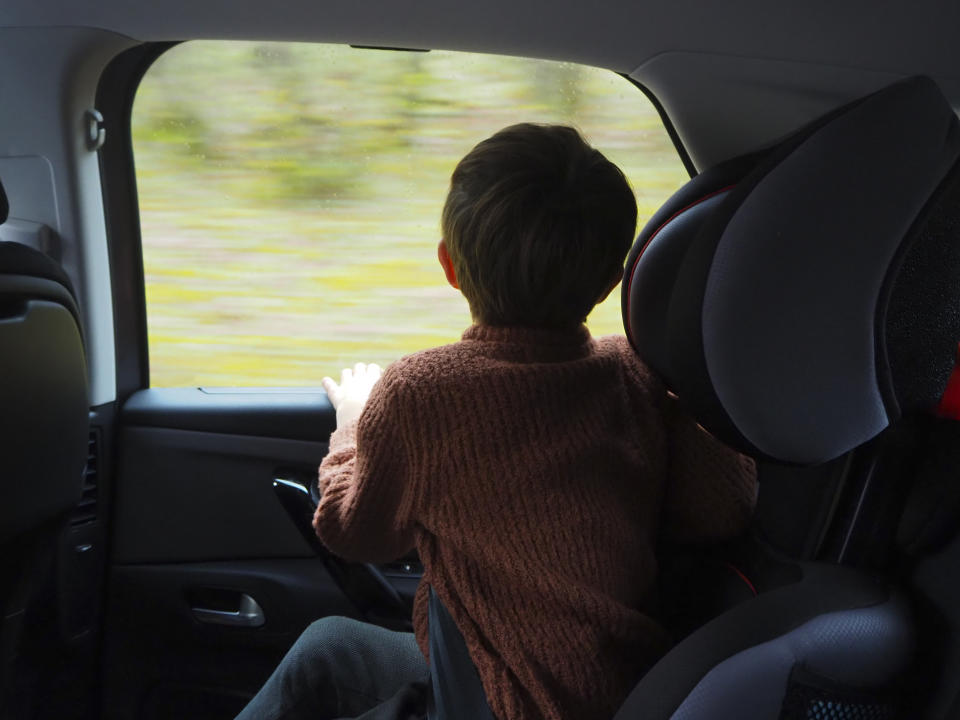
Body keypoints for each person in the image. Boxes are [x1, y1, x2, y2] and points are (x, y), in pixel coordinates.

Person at [235, 123, 757, 720]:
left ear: (449, 266)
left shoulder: (420, 394)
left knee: (324, 652)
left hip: (506, 701)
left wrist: (352, 428)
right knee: (331, 649)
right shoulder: (631, 374)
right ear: (613, 281)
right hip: (623, 687)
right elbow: (724, 509)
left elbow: (353, 533)